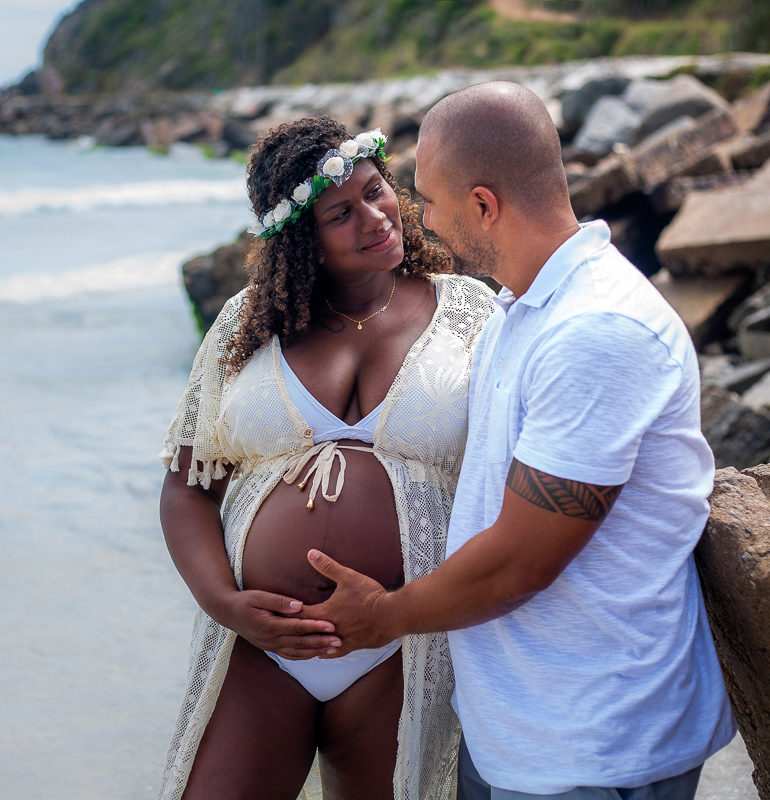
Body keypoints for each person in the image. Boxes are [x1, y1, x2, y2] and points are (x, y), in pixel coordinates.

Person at [296, 81, 736, 799]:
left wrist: (383, 617)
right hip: (516, 729)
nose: (421, 220)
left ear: (483, 205)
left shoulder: (596, 330)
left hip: (594, 742)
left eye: (429, 200)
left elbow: (522, 563)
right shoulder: (522, 310)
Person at [157, 116, 496, 800]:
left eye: (375, 191)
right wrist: (224, 603)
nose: (375, 217)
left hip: (403, 643)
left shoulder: (469, 312)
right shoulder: (248, 327)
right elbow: (187, 486)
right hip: (261, 648)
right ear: (301, 240)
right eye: (340, 214)